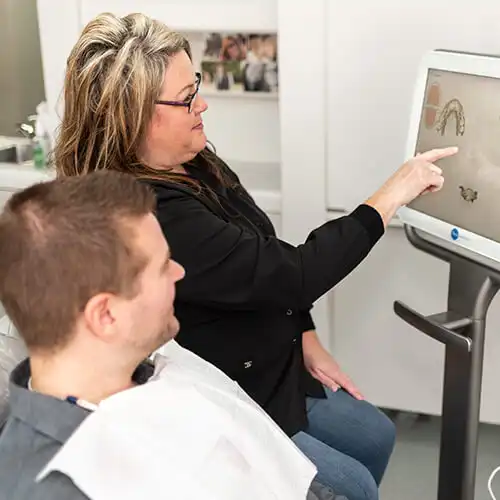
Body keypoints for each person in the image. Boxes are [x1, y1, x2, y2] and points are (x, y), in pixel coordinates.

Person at [53, 12, 458, 500]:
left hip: (273, 357)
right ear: (132, 116)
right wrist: (389, 198)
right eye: (186, 100)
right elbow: (293, 271)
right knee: (352, 487)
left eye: (195, 84)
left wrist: (304, 332)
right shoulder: (149, 212)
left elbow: (257, 251)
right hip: (233, 393)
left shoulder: (192, 160)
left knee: (377, 435)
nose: (202, 103)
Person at [0, 171, 343, 500]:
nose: (179, 272)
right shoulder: (64, 483)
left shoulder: (153, 367)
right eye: (164, 265)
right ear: (106, 315)